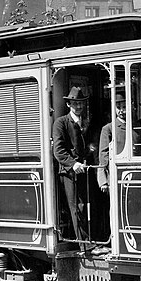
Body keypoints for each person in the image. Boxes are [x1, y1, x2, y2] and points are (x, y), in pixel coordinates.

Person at [52, 87, 97, 243]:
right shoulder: (61, 123)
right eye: (75, 103)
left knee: (87, 206)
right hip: (70, 173)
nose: (78, 107)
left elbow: (88, 144)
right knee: (77, 208)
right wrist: (73, 164)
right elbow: (58, 151)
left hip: (85, 171)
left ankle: (91, 240)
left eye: (81, 103)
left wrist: (91, 148)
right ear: (68, 104)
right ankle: (84, 245)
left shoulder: (85, 122)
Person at [98, 89, 126, 194]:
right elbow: (103, 155)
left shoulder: (136, 127)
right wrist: (103, 180)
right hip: (115, 175)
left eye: (124, 107)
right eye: (118, 108)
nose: (121, 111)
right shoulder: (108, 129)